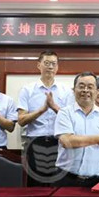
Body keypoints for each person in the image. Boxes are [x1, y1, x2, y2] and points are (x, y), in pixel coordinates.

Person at [17, 50, 74, 185]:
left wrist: (54, 107)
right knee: (35, 185)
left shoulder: (66, 91)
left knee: (58, 183)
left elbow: (71, 120)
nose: (50, 67)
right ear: (39, 65)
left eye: (54, 64)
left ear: (57, 67)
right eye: (47, 63)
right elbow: (21, 120)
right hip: (34, 142)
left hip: (59, 143)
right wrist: (42, 110)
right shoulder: (27, 90)